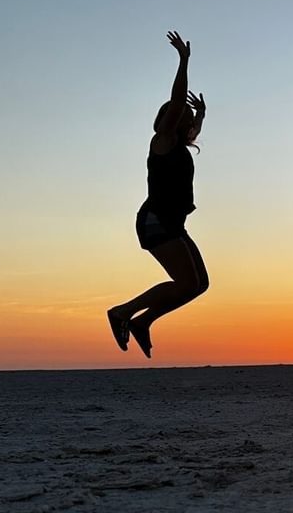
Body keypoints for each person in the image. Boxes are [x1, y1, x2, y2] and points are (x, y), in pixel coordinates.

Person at [106, 31, 210, 358]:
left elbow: (192, 130)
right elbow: (178, 101)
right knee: (185, 283)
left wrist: (202, 115)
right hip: (157, 221)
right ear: (171, 119)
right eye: (186, 117)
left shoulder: (179, 144)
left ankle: (143, 321)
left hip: (172, 222)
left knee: (199, 284)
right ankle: (123, 312)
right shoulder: (162, 142)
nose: (189, 120)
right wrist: (183, 61)